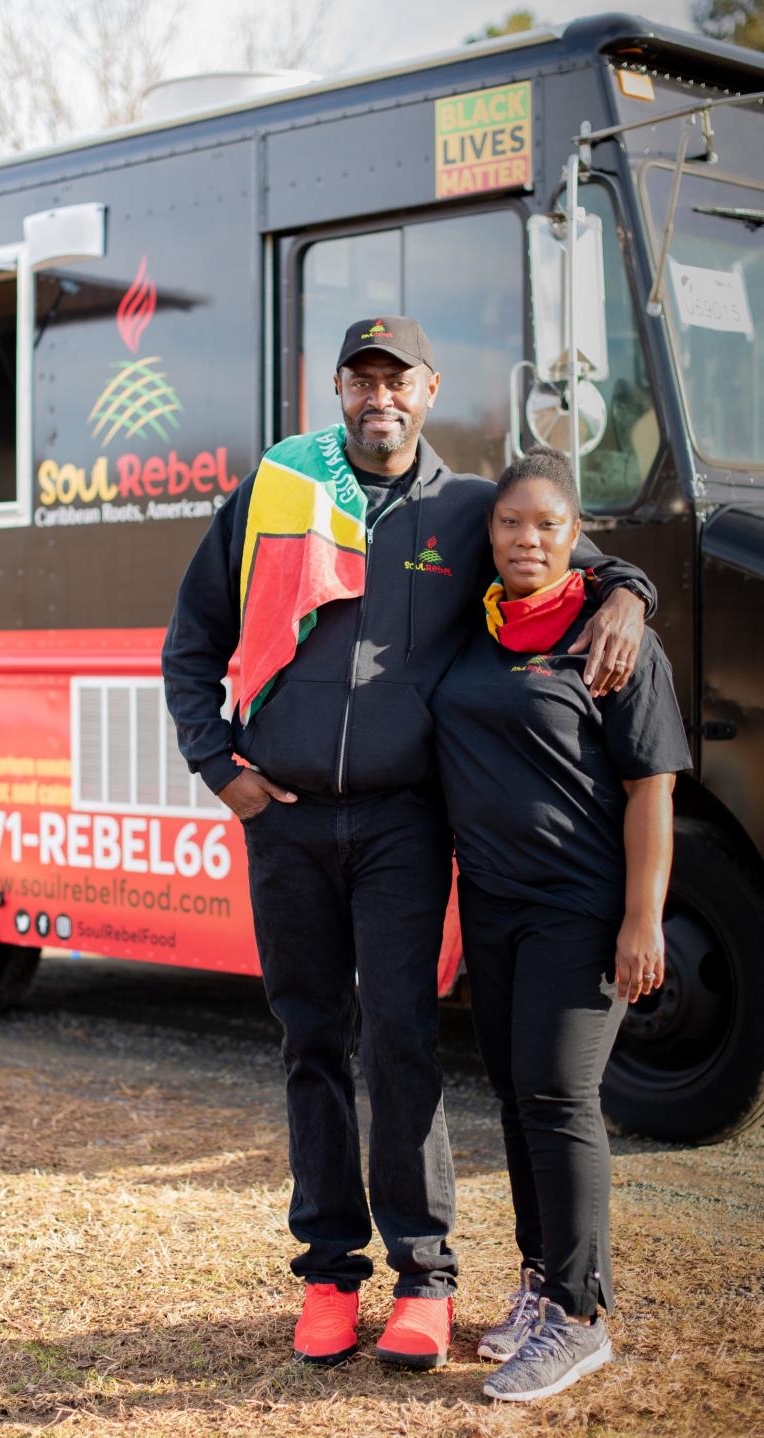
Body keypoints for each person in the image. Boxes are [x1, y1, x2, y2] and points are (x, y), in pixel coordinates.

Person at [162, 317, 656, 1369]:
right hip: (285, 819)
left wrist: (632, 593)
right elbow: (191, 640)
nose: (379, 396)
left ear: (429, 392)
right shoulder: (280, 492)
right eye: (361, 378)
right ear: (338, 390)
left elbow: (569, 549)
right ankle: (331, 1273)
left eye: (399, 380)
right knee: (311, 1041)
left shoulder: (470, 509)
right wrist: (221, 768)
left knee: (402, 1042)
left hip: (401, 822)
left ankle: (424, 1278)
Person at [431, 446, 691, 1402]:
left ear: (576, 535)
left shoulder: (612, 636)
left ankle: (582, 1319)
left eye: (547, 524)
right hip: (494, 903)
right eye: (509, 523)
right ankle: (542, 1283)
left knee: (559, 1096)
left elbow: (651, 787)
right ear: (488, 535)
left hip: (580, 907)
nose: (526, 539)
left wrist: (642, 920)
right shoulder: (477, 623)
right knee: (514, 1092)